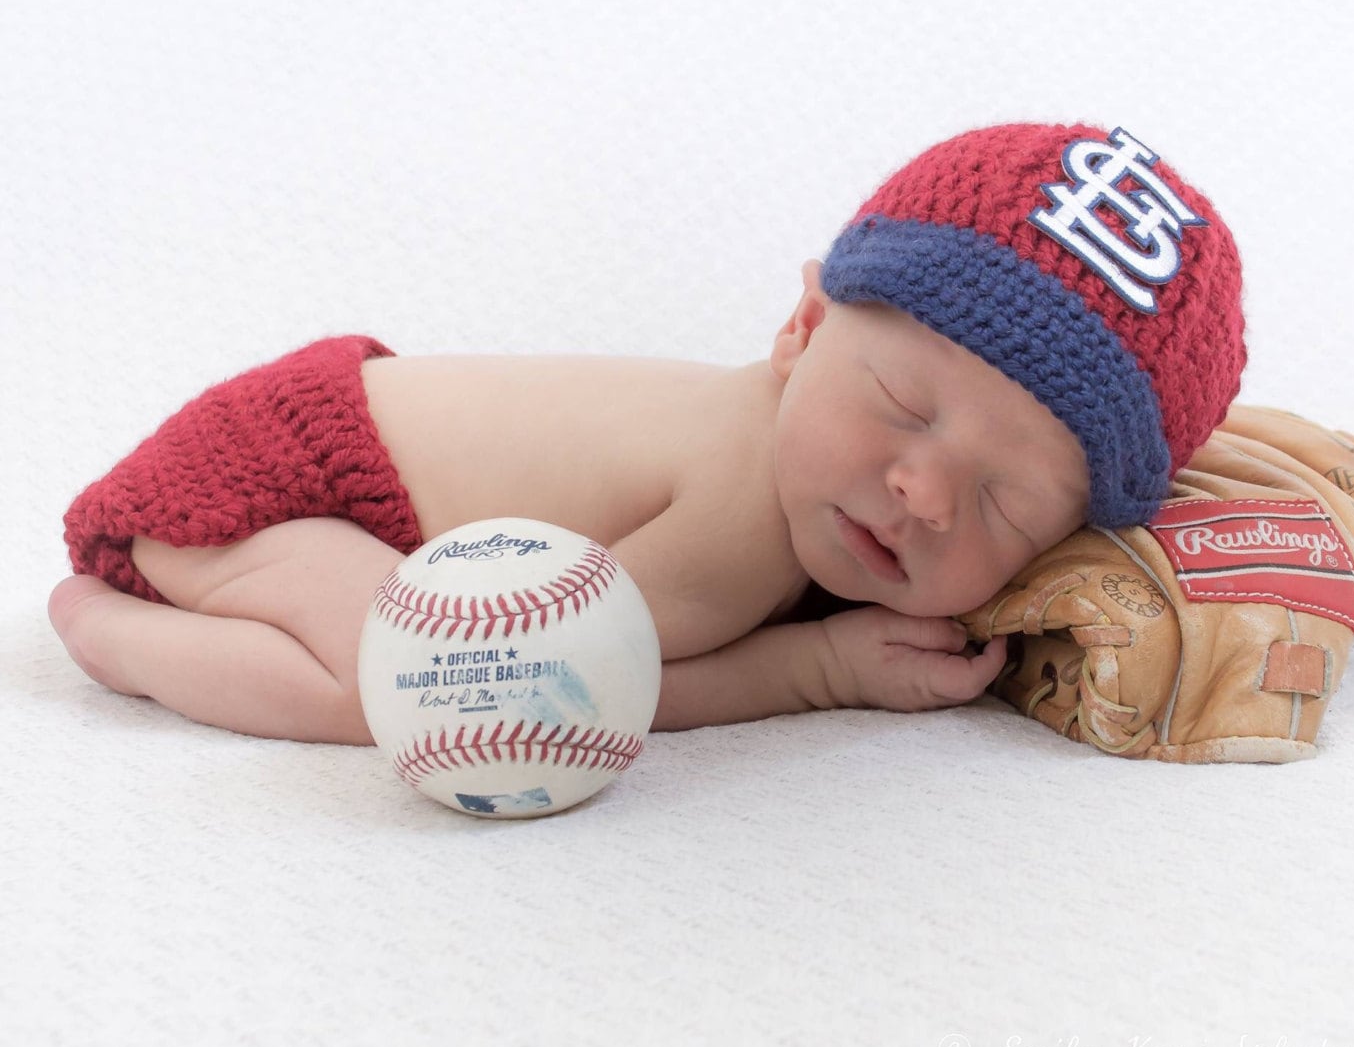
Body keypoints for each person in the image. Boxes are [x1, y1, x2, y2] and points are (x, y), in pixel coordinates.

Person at [47, 122, 1246, 744]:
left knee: (434, 668)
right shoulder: (743, 510)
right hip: (285, 490)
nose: (923, 492)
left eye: (1008, 506)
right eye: (901, 407)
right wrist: (812, 672)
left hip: (342, 458)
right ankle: (114, 629)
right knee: (422, 695)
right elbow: (563, 678)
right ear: (801, 323)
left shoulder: (812, 481)